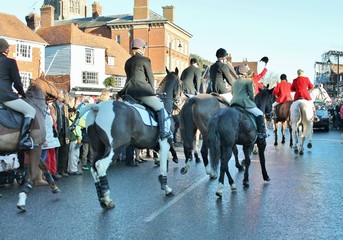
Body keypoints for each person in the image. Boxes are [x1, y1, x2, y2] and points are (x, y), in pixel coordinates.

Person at [119, 38, 172, 142]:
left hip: (128, 92)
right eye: (144, 48)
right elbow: (150, 77)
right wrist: (153, 91)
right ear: (142, 49)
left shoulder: (128, 61)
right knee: (160, 107)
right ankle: (163, 132)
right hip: (142, 91)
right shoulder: (144, 60)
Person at [0, 38, 36, 149]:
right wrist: (22, 94)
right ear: (6, 50)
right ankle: (24, 140)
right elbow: (17, 83)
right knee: (31, 110)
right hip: (5, 96)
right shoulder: (10, 62)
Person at [230, 64, 267, 138]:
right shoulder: (248, 81)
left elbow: (232, 93)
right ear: (244, 73)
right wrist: (252, 101)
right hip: (244, 103)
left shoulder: (234, 82)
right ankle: (261, 133)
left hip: (233, 103)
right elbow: (251, 94)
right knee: (260, 113)